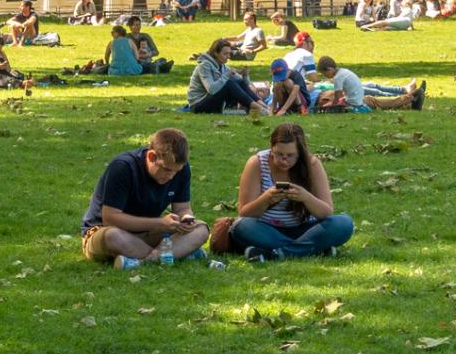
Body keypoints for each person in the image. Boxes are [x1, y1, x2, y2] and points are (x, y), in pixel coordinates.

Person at [79, 128, 209, 266]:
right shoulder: (123, 167)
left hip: (148, 233)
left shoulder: (180, 168)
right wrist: (160, 223)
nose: (171, 176)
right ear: (152, 157)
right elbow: (110, 219)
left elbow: (183, 208)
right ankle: (177, 254)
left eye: (176, 172)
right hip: (105, 232)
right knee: (113, 236)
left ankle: (145, 260)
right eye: (166, 169)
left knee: (201, 229)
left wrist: (186, 220)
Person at [228, 122, 355, 260]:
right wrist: (266, 199)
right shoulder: (257, 163)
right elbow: (245, 213)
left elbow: (326, 212)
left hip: (306, 229)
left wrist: (306, 197)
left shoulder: (312, 164)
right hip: (267, 229)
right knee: (241, 226)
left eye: (290, 155)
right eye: (278, 154)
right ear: (271, 148)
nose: (283, 160)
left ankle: (277, 253)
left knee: (344, 223)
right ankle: (312, 249)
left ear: (300, 153)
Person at [185, 38, 269, 114]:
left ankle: (263, 106)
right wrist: (226, 75)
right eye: (225, 54)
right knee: (229, 83)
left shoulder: (223, 66)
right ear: (216, 53)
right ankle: (259, 109)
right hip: (198, 105)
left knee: (237, 82)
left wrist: (245, 75)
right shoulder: (204, 66)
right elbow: (211, 89)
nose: (228, 57)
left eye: (229, 53)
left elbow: (242, 84)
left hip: (214, 102)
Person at [312, 55, 422, 110]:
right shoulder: (343, 71)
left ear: (329, 69)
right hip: (357, 97)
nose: (326, 76)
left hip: (354, 102)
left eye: (325, 74)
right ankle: (410, 103)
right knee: (378, 102)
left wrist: (330, 106)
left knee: (378, 102)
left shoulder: (337, 78)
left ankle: (410, 97)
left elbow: (338, 98)